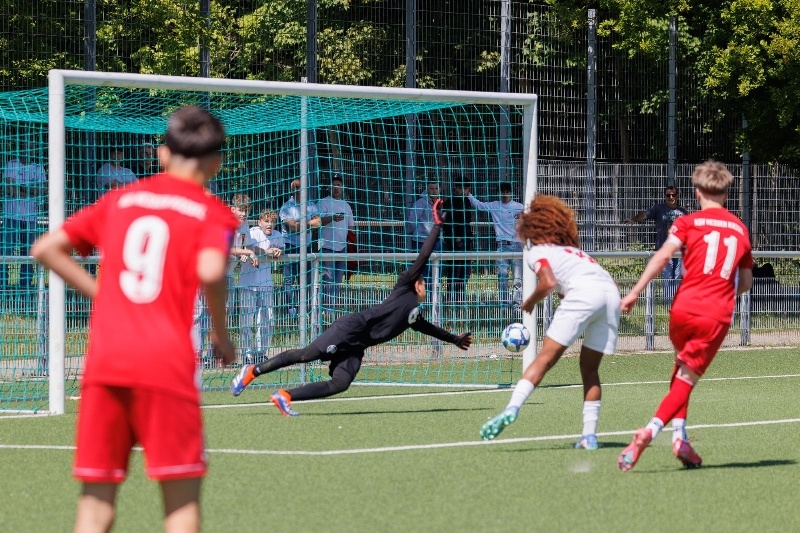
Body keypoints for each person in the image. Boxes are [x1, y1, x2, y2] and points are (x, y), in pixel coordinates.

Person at [29, 106, 239, 533]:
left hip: (106, 364)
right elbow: (212, 270)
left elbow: (46, 248)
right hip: (166, 364)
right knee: (179, 508)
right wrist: (221, 333)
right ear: (216, 162)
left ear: (162, 154)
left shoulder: (119, 200)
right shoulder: (212, 212)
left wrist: (102, 294)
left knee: (95, 508)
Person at [230, 199, 472, 416]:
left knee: (340, 384)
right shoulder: (404, 289)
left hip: (357, 344)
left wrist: (455, 339)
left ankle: (285, 396)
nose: (425, 285)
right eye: (423, 282)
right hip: (351, 327)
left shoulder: (413, 315)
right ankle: (252, 371)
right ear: (416, 283)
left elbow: (430, 329)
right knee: (307, 354)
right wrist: (437, 226)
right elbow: (423, 256)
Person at [617, 161, 753, 472]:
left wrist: (635, 292)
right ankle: (649, 432)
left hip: (681, 309)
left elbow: (663, 255)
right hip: (713, 314)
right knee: (687, 378)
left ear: (697, 192)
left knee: (681, 369)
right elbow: (745, 282)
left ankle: (681, 438)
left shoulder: (687, 222)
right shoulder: (740, 229)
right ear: (726, 194)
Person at [479, 195, 621, 449]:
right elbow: (567, 287)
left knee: (543, 360)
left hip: (585, 294)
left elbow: (548, 282)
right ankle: (589, 436)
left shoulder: (536, 251)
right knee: (589, 370)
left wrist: (530, 302)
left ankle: (512, 408)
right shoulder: (575, 252)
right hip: (610, 295)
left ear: (532, 228)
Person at [624, 185, 688, 303]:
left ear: (677, 196)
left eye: (673, 195)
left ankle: (675, 302)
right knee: (667, 276)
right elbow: (645, 214)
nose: (671, 197)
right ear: (665, 196)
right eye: (668, 195)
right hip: (665, 249)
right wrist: (633, 219)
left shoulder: (683, 212)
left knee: (677, 276)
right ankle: (668, 303)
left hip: (680, 250)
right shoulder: (659, 208)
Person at [1, 141, 47, 302]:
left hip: (30, 219)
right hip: (10, 217)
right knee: (5, 254)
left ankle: (25, 292)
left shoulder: (39, 168)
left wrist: (19, 188)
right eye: (25, 147)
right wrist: (29, 190)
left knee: (29, 256)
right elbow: (9, 190)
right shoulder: (10, 164)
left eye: (31, 147)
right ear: (20, 148)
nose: (29, 150)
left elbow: (41, 191)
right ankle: (3, 290)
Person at [467, 182, 524, 308]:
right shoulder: (495, 205)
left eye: (507, 192)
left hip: (517, 245)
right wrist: (468, 194)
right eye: (502, 192)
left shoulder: (519, 207)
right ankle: (504, 303)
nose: (505, 194)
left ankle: (517, 304)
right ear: (499, 193)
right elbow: (479, 205)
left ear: (511, 193)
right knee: (502, 275)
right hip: (502, 246)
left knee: (518, 277)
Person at [239, 210, 284, 363]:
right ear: (259, 222)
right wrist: (266, 251)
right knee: (246, 321)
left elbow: (281, 249)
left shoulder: (278, 235)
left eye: (272, 221)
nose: (269, 224)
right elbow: (248, 248)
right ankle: (247, 354)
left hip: (266, 285)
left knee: (267, 320)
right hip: (248, 284)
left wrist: (278, 251)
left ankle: (260, 353)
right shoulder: (253, 232)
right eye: (266, 221)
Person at [279, 178, 321, 317]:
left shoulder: (311, 205)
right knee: (289, 280)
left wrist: (300, 224)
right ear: (292, 190)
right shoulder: (286, 207)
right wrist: (308, 224)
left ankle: (306, 309)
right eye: (295, 188)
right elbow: (292, 228)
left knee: (307, 280)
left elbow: (318, 223)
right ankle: (290, 310)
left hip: (307, 247)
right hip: (290, 247)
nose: (298, 190)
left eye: (300, 187)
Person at [317, 174, 355, 312]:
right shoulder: (323, 202)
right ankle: (325, 309)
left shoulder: (346, 205)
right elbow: (317, 222)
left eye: (339, 185)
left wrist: (351, 244)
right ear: (329, 187)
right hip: (327, 247)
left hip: (342, 248)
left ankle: (332, 308)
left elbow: (351, 227)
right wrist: (332, 218)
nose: (336, 188)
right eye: (334, 185)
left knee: (338, 280)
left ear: (342, 187)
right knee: (327, 279)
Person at [443, 178, 474, 304]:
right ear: (455, 188)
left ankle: (460, 298)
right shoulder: (449, 203)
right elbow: (446, 223)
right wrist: (455, 237)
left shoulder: (467, 201)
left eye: (465, 188)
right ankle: (450, 298)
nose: (462, 191)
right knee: (455, 271)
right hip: (455, 242)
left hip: (467, 241)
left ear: (468, 189)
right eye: (460, 188)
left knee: (465, 271)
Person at [405, 180, 442, 286]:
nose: (434, 191)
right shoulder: (420, 202)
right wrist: (415, 232)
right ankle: (424, 295)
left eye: (436, 188)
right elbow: (412, 220)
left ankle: (435, 294)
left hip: (436, 241)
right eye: (431, 188)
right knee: (423, 271)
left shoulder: (439, 203)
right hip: (422, 241)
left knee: (437, 271)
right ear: (427, 189)